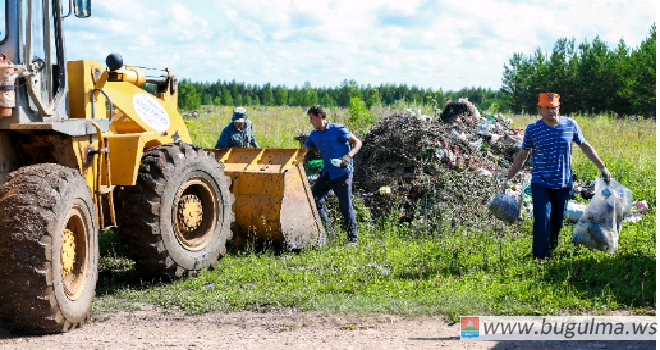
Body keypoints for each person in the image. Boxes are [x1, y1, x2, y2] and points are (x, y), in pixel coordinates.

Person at [502, 93, 611, 260]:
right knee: (542, 218)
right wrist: (509, 178)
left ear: (558, 108)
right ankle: (540, 256)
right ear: (539, 109)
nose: (551, 111)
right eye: (547, 108)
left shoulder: (570, 125)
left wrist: (602, 167)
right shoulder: (532, 129)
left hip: (563, 182)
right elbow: (522, 155)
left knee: (557, 221)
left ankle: (551, 247)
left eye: (554, 108)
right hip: (540, 182)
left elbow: (585, 146)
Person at [302, 105, 363, 243]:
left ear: (319, 116)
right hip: (326, 173)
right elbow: (305, 148)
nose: (310, 122)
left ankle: (352, 239)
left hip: (342, 173)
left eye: (311, 118)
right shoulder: (315, 134)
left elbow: (357, 142)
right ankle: (329, 231)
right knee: (314, 202)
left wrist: (348, 156)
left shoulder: (338, 129)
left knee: (345, 206)